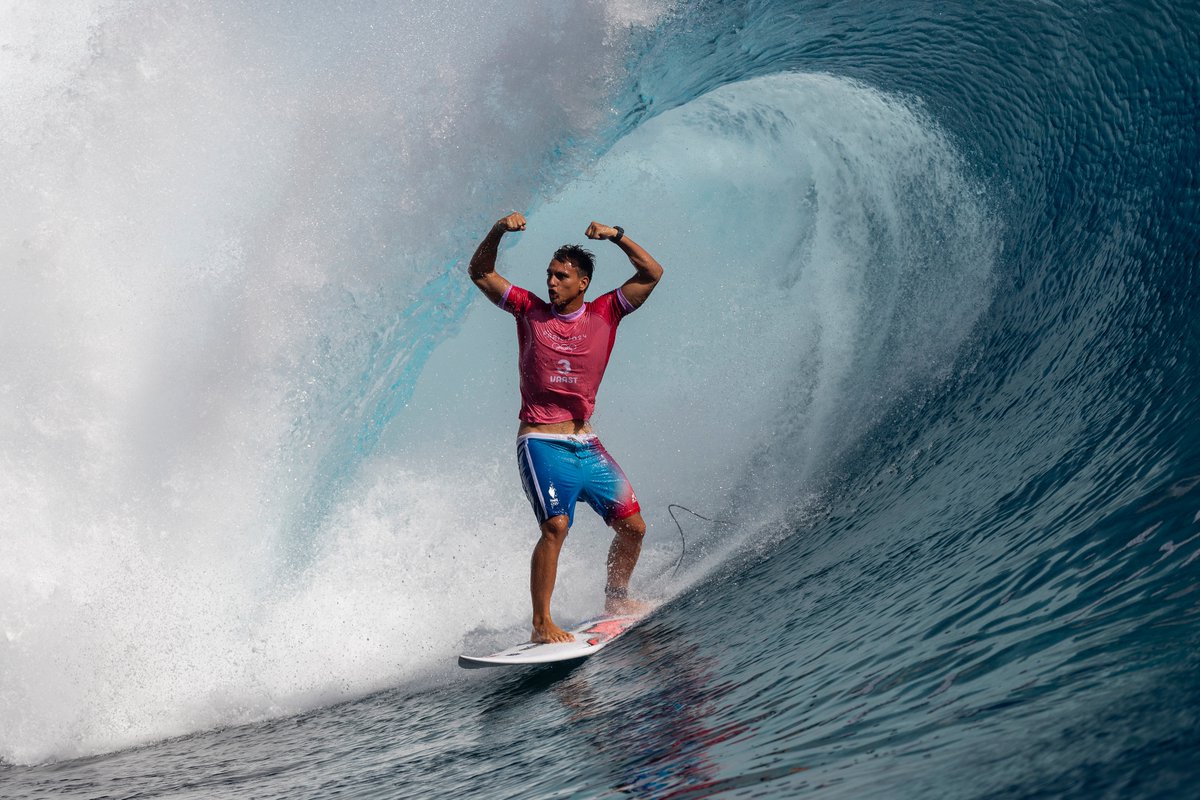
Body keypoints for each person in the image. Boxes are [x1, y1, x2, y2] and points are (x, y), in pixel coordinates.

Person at [468, 211, 664, 643]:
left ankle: (616, 597)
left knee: (634, 529)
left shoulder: (606, 313)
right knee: (555, 525)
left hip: (586, 444)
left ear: (583, 283)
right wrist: (499, 229)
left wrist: (616, 235)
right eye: (549, 275)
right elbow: (479, 272)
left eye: (560, 276)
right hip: (541, 441)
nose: (551, 282)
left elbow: (652, 272)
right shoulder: (528, 310)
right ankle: (542, 623)